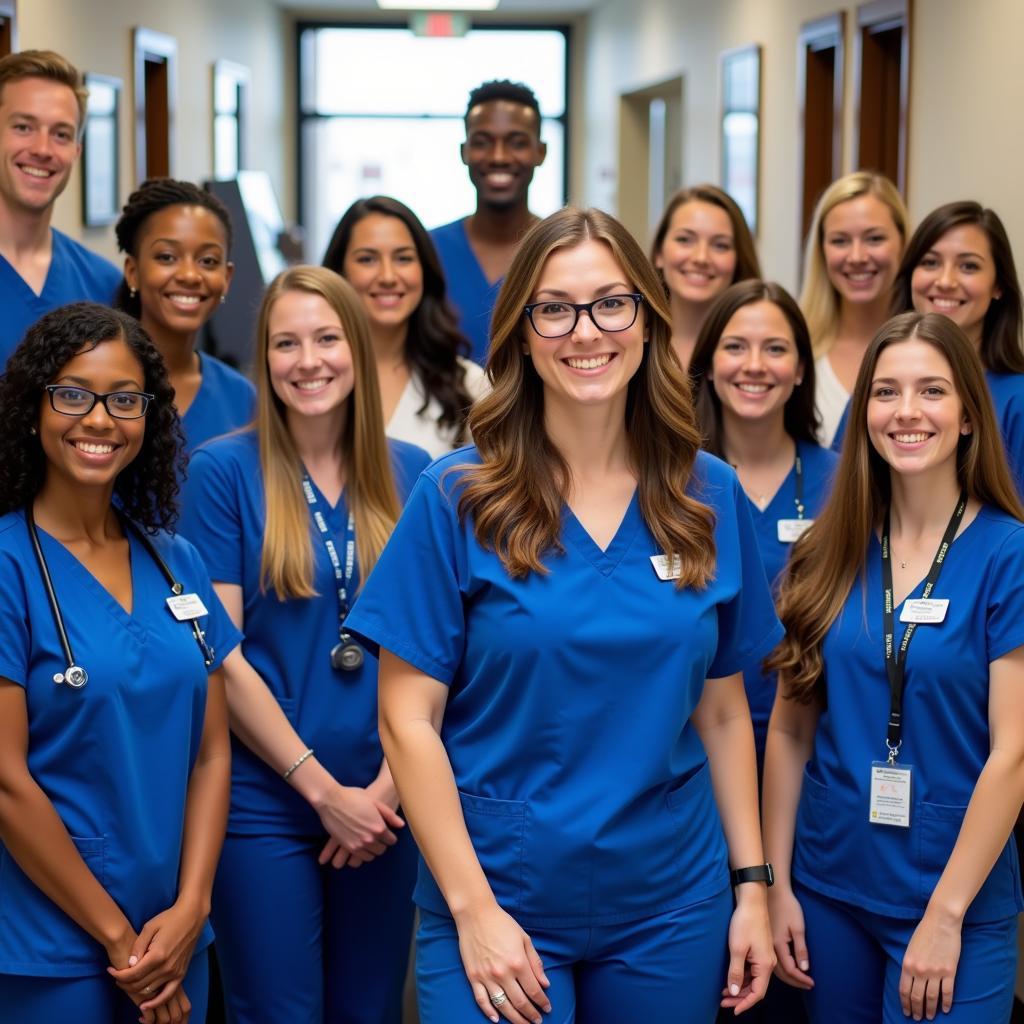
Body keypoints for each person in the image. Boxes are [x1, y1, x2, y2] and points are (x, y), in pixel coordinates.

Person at [347, 207, 780, 1024]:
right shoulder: (456, 495)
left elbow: (724, 712)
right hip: (499, 894)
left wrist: (751, 887)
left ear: (649, 322)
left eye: (612, 304)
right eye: (555, 308)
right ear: (520, 333)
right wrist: (473, 912)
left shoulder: (709, 493)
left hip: (670, 904)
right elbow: (407, 719)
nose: (587, 332)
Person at [178, 266, 431, 1024]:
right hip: (270, 800)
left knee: (370, 1009)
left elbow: (437, 650)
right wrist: (324, 793)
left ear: (356, 346)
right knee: (279, 1011)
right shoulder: (221, 472)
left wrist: (385, 794)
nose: (308, 360)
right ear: (264, 358)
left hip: (388, 800)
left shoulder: (413, 473)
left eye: (326, 338)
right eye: (286, 343)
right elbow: (223, 654)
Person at [763, 312, 1024, 1023]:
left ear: (970, 415)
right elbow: (789, 732)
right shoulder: (825, 551)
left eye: (932, 391)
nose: (907, 412)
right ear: (863, 413)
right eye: (886, 393)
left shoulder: (1008, 556)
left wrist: (944, 916)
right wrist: (776, 882)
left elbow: (1015, 755)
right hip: (829, 884)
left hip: (955, 899)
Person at [0, 302, 239, 1022]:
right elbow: (7, 781)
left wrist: (192, 907)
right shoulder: (8, 565)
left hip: (175, 934)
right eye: (72, 394)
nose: (99, 419)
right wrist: (120, 943)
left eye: (123, 399)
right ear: (34, 408)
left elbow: (212, 753)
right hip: (54, 947)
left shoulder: (177, 561)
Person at [689, 280, 837, 771]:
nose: (755, 365)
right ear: (708, 365)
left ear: (799, 371)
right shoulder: (670, 482)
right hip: (694, 748)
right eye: (735, 347)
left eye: (775, 348)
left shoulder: (842, 481)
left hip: (810, 751)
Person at [323, 195, 486, 458]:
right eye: (367, 259)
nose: (388, 277)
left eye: (403, 258)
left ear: (424, 270)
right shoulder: (312, 376)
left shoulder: (469, 385)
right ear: (340, 272)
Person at [115, 178, 255, 454]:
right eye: (167, 257)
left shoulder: (242, 398)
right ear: (133, 272)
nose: (190, 275)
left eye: (208, 261)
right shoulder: (97, 382)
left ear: (226, 278)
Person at [0, 51, 121, 368]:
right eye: (24, 127)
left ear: (76, 152)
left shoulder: (104, 284)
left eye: (61, 134)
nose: (42, 149)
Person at [896, 201, 1024, 494]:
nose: (945, 281)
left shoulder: (1018, 401)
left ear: (998, 286)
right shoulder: (877, 385)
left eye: (968, 266)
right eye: (930, 262)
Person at [430, 80, 547, 365]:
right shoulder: (427, 251)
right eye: (482, 142)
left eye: (517, 143)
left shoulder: (559, 249)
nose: (498, 157)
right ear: (464, 151)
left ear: (540, 152)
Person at [799, 171, 907, 446]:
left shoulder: (930, 351)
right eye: (840, 241)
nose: (857, 256)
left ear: (903, 242)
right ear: (821, 250)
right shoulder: (796, 352)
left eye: (874, 239)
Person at [650, 184, 761, 369]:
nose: (701, 258)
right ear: (659, 253)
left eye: (720, 245)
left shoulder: (757, 354)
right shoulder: (632, 341)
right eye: (684, 240)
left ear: (739, 259)